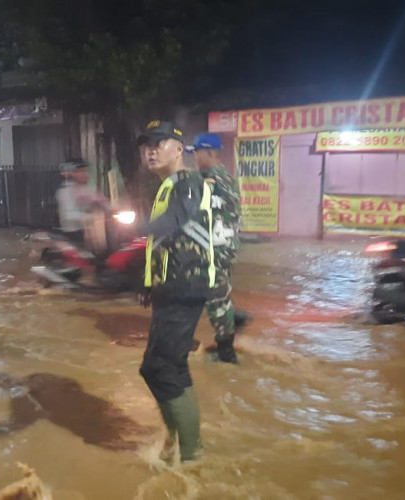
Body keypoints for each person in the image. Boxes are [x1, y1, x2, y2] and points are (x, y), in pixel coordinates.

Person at [137, 120, 216, 463]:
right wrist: (146, 283)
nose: (150, 150)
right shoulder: (168, 185)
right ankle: (177, 443)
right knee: (159, 368)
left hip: (186, 285)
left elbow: (178, 219)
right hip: (170, 288)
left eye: (158, 143)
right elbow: (160, 243)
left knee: (162, 369)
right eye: (146, 145)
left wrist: (129, 230)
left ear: (178, 148)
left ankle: (192, 454)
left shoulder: (187, 182)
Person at [186, 133, 241, 364]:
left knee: (215, 301)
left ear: (210, 153)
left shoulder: (211, 182)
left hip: (213, 251)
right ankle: (234, 321)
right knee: (214, 296)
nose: (195, 158)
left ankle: (227, 354)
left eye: (197, 153)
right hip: (222, 248)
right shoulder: (224, 177)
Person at [55, 159, 108, 246]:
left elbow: (104, 203)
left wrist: (116, 209)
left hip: (93, 230)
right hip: (75, 233)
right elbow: (68, 216)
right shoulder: (65, 192)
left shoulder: (88, 189)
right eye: (80, 171)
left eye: (86, 171)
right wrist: (92, 217)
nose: (85, 174)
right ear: (72, 174)